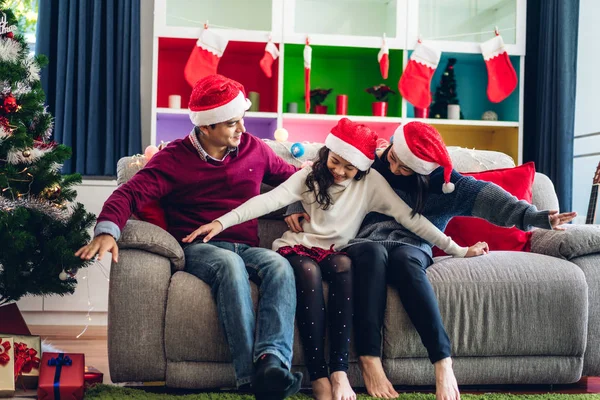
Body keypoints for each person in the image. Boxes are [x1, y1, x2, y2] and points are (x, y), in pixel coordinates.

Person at [183, 118, 489, 400]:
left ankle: (339, 371)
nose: (339, 172)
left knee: (344, 265)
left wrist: (458, 250)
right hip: (298, 248)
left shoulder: (372, 185)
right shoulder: (308, 175)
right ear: (326, 154)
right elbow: (267, 201)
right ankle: (318, 375)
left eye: (349, 168)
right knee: (308, 272)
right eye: (334, 162)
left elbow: (413, 221)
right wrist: (221, 222)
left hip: (335, 252)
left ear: (364, 168)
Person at [285, 121, 577, 400]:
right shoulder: (373, 159)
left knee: (405, 263)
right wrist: (296, 204)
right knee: (373, 253)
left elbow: (496, 201)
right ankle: (369, 357)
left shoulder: (448, 185)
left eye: (405, 168)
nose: (394, 168)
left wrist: (537, 217)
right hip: (365, 241)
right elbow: (319, 172)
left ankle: (442, 362)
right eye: (393, 158)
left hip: (413, 245)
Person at [75, 74, 304, 400]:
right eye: (230, 124)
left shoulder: (254, 148)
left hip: (248, 245)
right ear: (206, 127)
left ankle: (272, 362)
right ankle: (250, 378)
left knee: (280, 266)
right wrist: (107, 230)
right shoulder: (174, 160)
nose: (241, 130)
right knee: (228, 264)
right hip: (201, 247)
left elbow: (294, 179)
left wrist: (292, 205)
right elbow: (129, 195)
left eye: (241, 120)